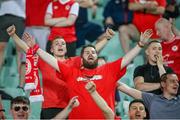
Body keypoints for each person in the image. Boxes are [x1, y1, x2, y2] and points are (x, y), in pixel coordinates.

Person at [7, 24, 153, 118]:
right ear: (51, 49)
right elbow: (29, 50)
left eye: (63, 43)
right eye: (56, 43)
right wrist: (14, 36)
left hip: (70, 107)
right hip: (50, 107)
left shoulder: (74, 62)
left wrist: (107, 38)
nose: (60, 45)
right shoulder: (47, 62)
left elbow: (93, 51)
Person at [0, 0, 26, 90]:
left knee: (19, 49)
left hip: (20, 17)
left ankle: (21, 85)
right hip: (3, 15)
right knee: (0, 49)